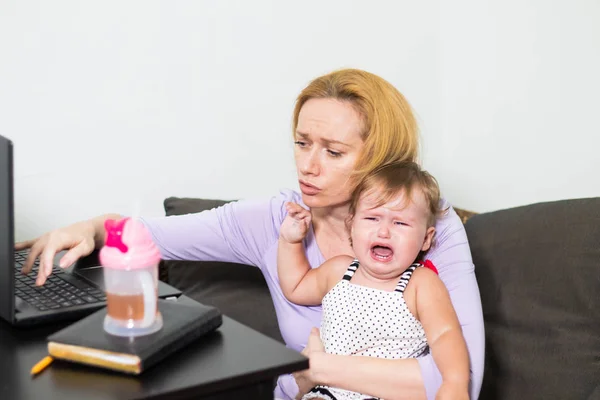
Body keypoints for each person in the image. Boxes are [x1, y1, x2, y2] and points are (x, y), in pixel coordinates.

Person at [16, 68, 484, 400]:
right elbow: (150, 234)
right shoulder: (274, 220)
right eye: (301, 143)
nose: (308, 165)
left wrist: (315, 366)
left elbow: (462, 378)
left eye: (333, 151)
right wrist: (92, 227)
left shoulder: (429, 229)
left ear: (379, 158)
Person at [278, 161, 469, 400]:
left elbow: (446, 335)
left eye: (400, 223)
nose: (384, 231)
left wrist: (454, 383)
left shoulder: (420, 284)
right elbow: (295, 286)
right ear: (351, 227)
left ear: (425, 240)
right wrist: (290, 242)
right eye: (372, 219)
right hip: (324, 393)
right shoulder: (339, 271)